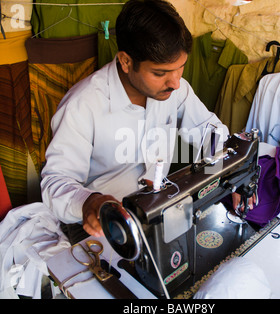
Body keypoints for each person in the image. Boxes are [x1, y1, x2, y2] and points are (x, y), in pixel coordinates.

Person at [41, 0, 247, 238]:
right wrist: (89, 202)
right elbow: (55, 182)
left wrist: (232, 170)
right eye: (160, 73)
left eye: (180, 68)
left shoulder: (175, 90)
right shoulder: (82, 105)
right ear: (126, 61)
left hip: (155, 214)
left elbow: (209, 131)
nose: (175, 82)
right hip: (101, 228)